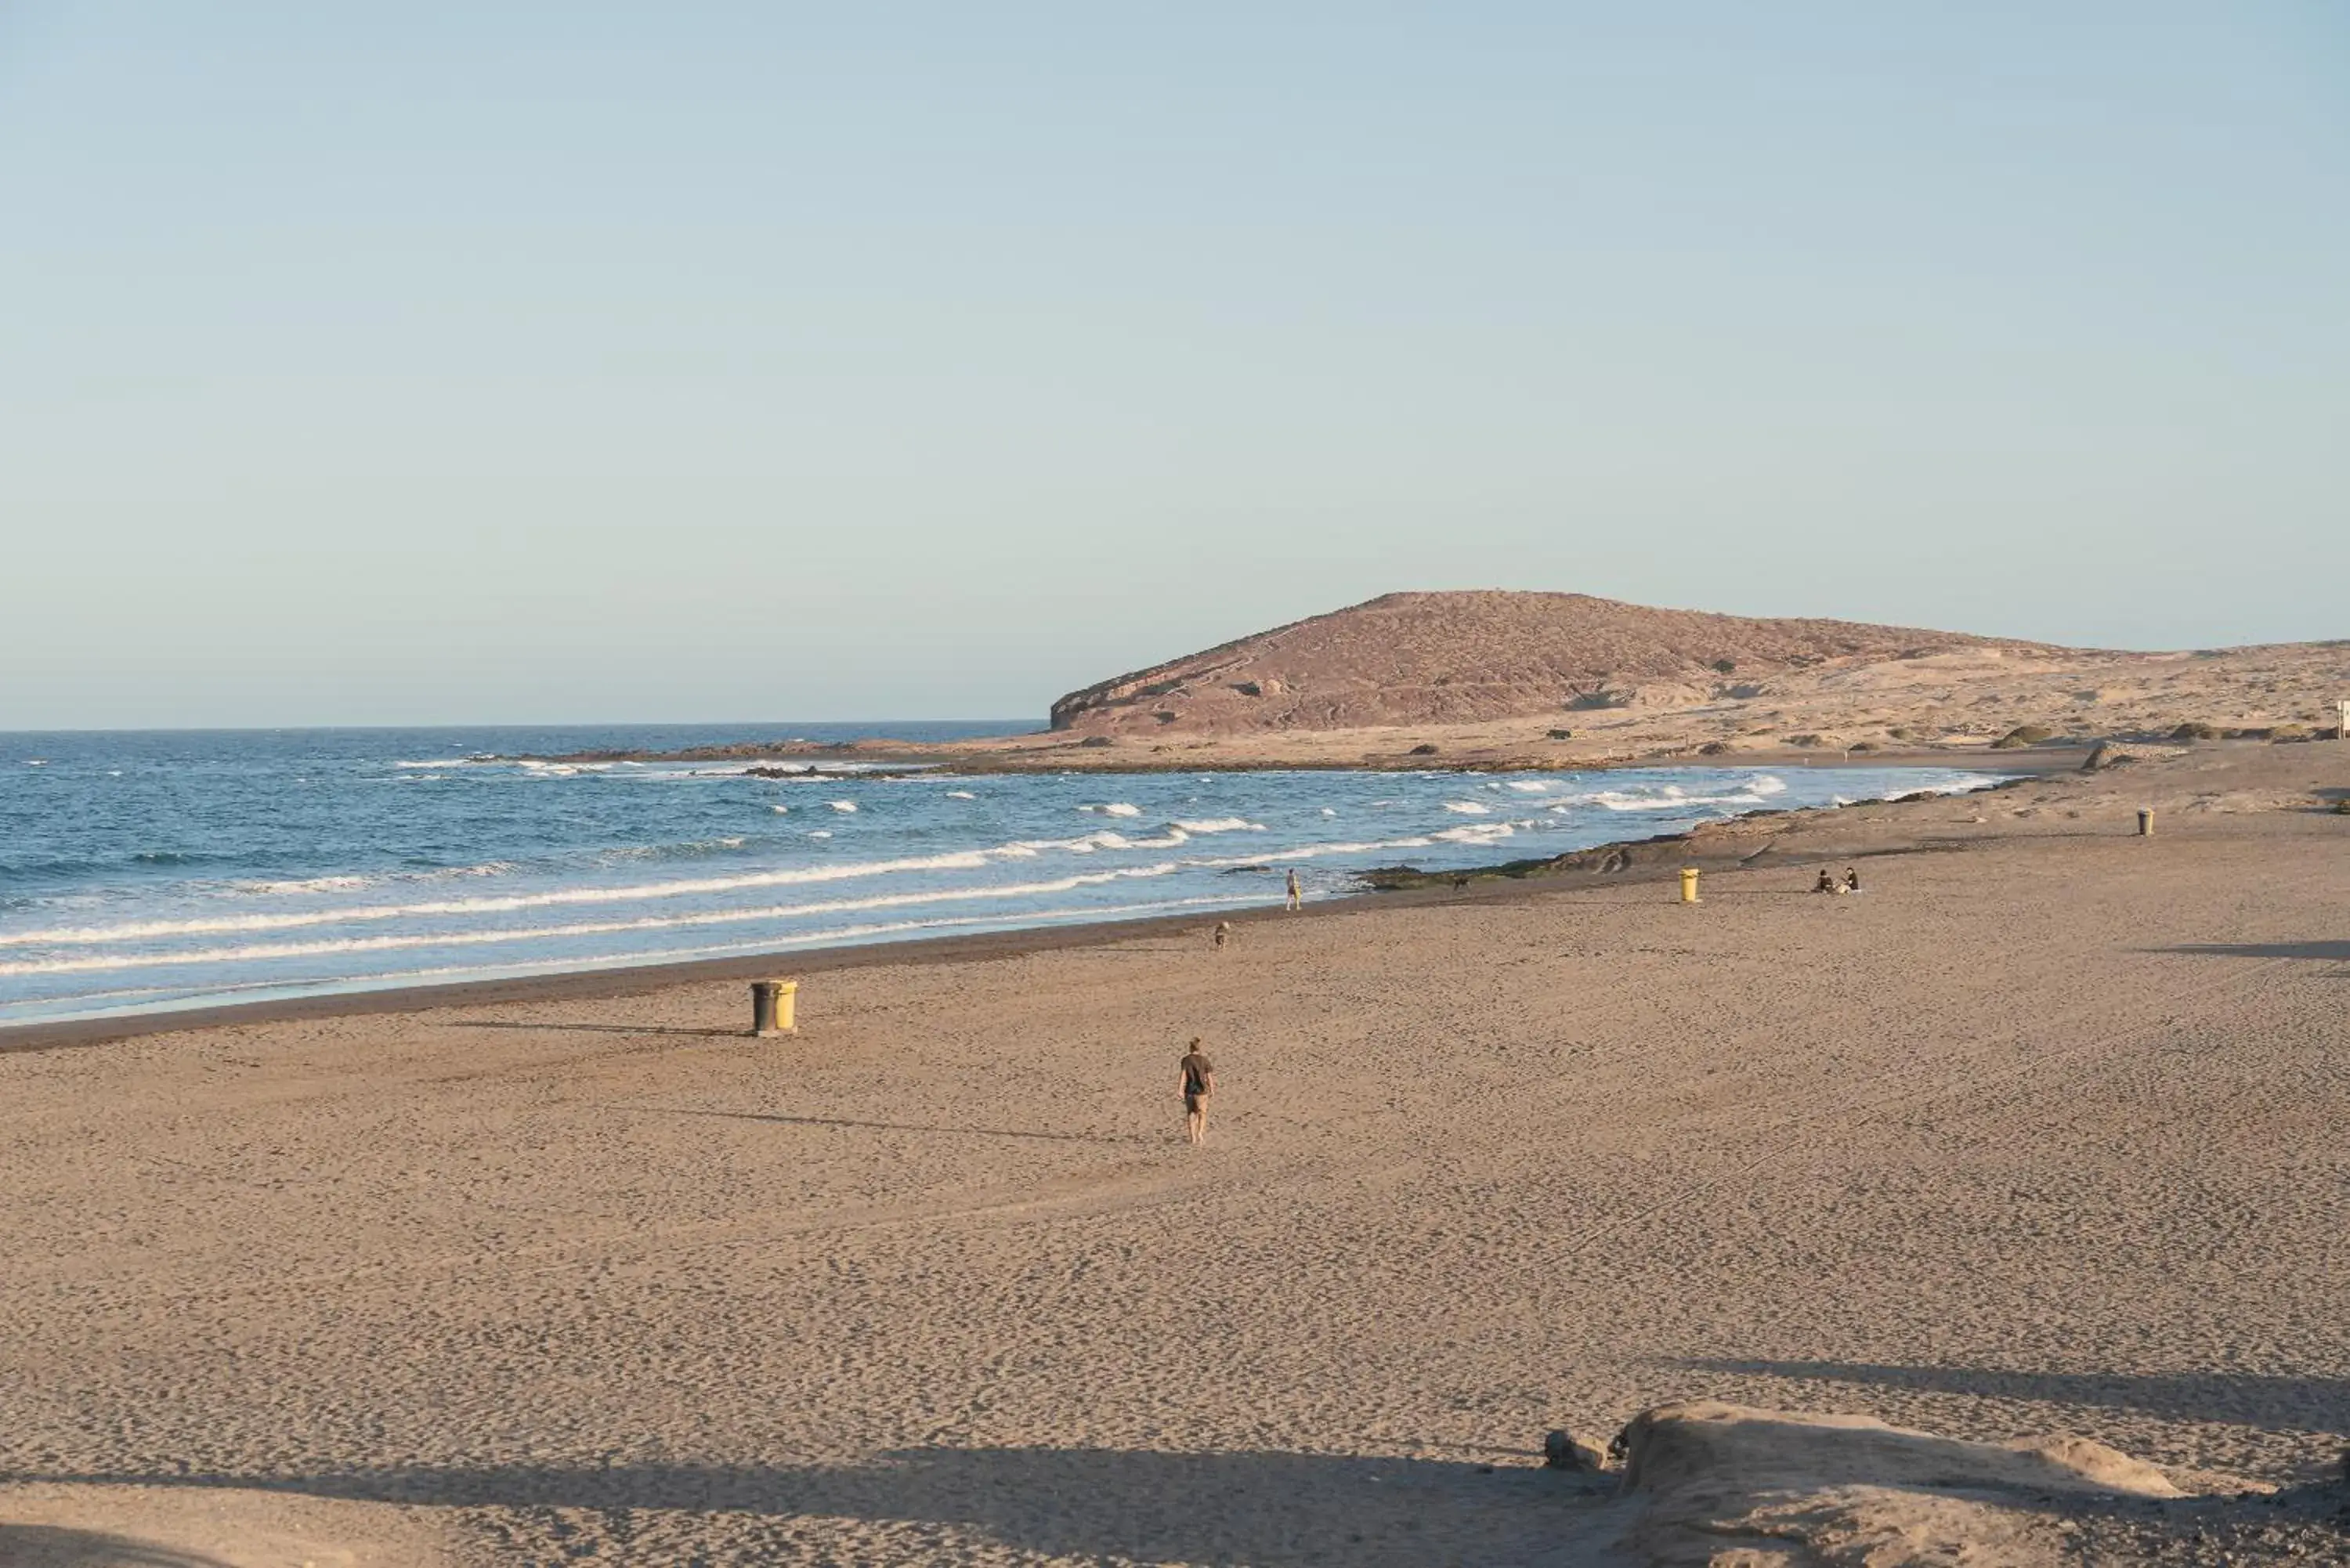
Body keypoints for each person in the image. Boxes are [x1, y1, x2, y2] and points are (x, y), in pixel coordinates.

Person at [1179, 1038, 1216, 1144]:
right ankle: (1200, 1133)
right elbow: (1209, 1077)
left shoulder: (1186, 1060)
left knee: (1191, 1113)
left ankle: (1193, 1137)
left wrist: (1180, 1090)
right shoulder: (1204, 1060)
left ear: (1190, 1047)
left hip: (1189, 1090)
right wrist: (1212, 1089)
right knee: (1202, 1113)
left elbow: (1183, 1076)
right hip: (1201, 1091)